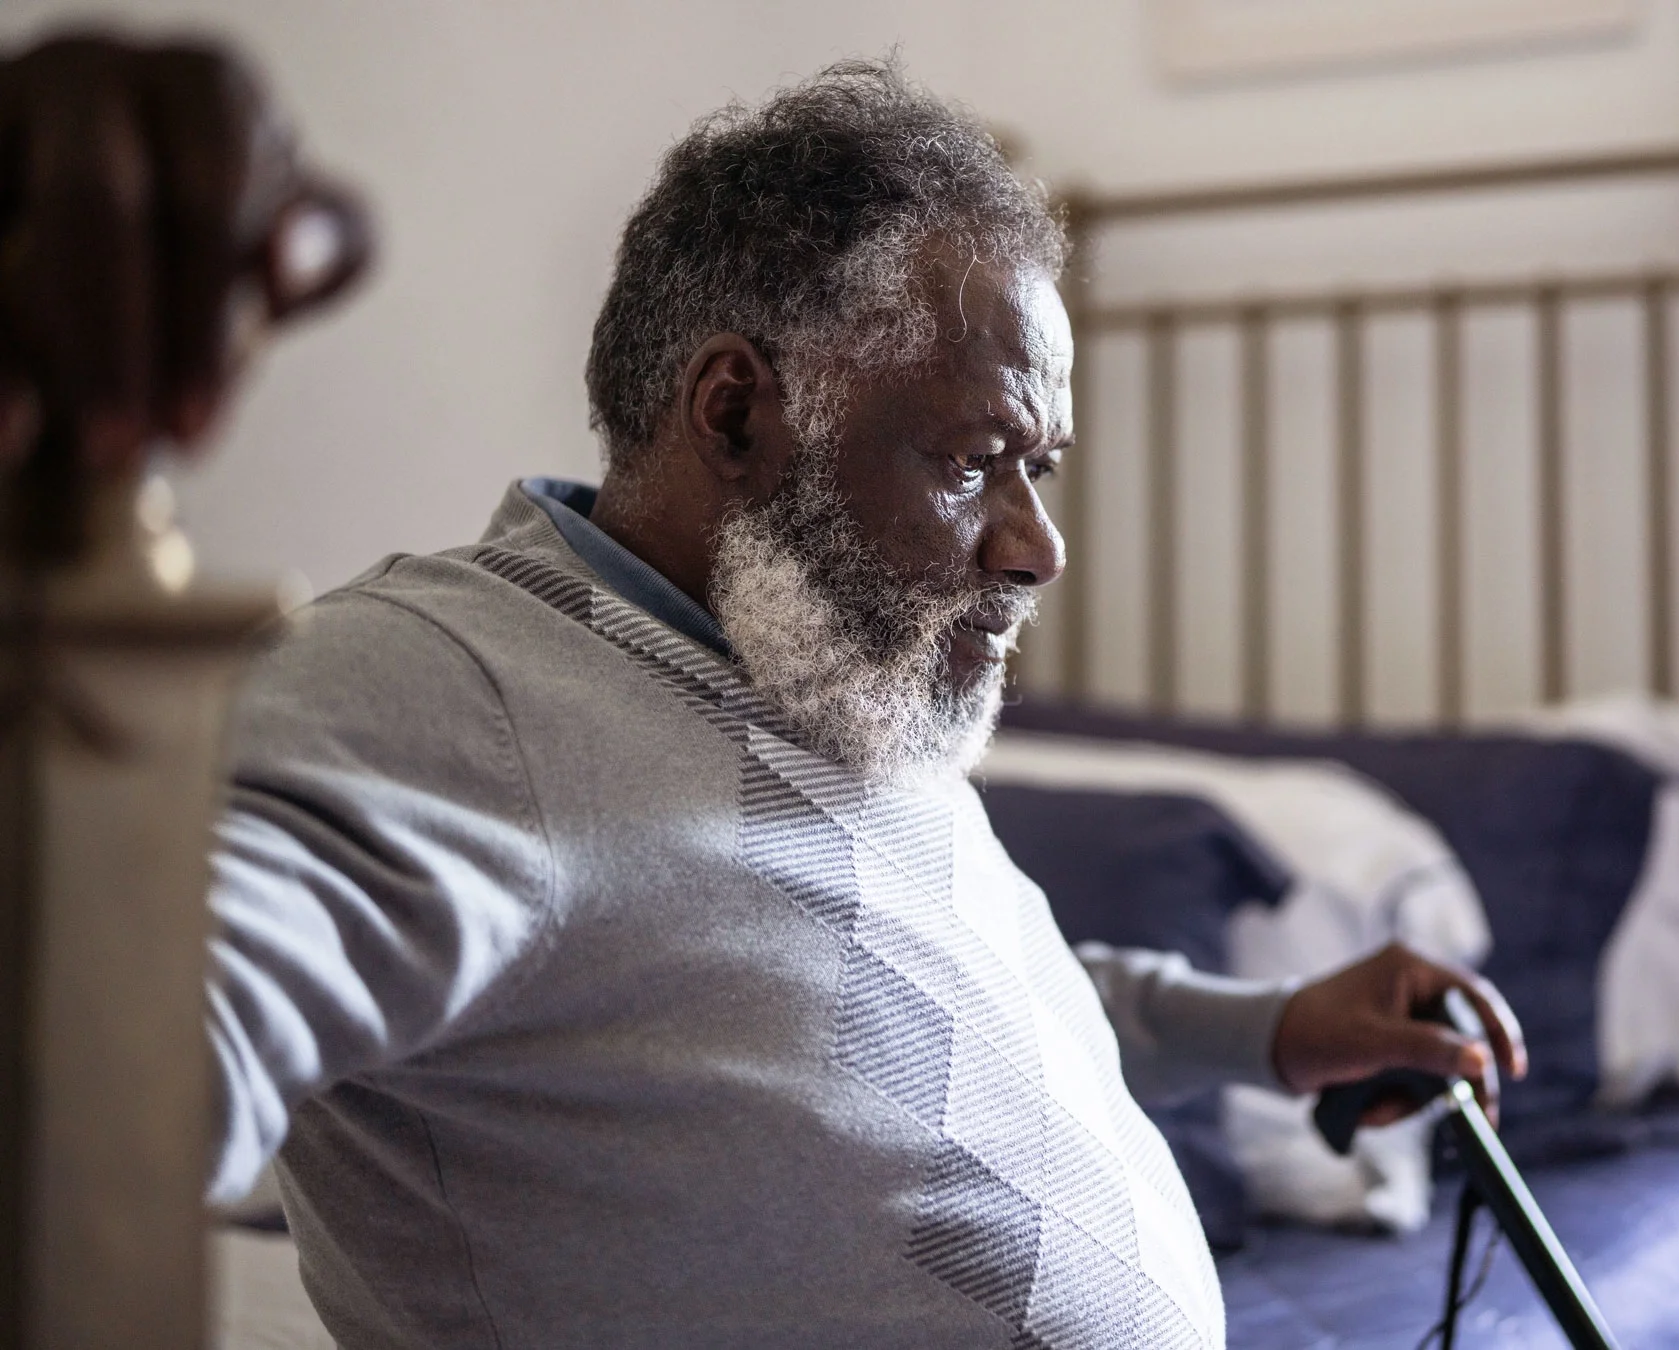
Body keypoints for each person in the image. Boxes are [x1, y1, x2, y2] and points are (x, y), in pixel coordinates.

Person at [0, 33, 1527, 1349]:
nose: (1038, 545)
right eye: (978, 457)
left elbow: (900, 1023)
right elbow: (91, 1093)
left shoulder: (834, 676)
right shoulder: (447, 694)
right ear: (738, 411)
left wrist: (1258, 1027)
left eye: (1041, 468)